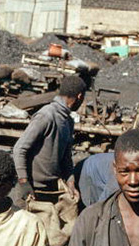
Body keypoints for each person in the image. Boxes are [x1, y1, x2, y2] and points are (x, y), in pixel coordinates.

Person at [12, 75, 86, 205]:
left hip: (50, 188)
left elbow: (66, 157)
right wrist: (24, 183)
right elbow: (19, 148)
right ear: (80, 96)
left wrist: (70, 183)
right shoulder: (46, 115)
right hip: (31, 189)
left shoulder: (68, 121)